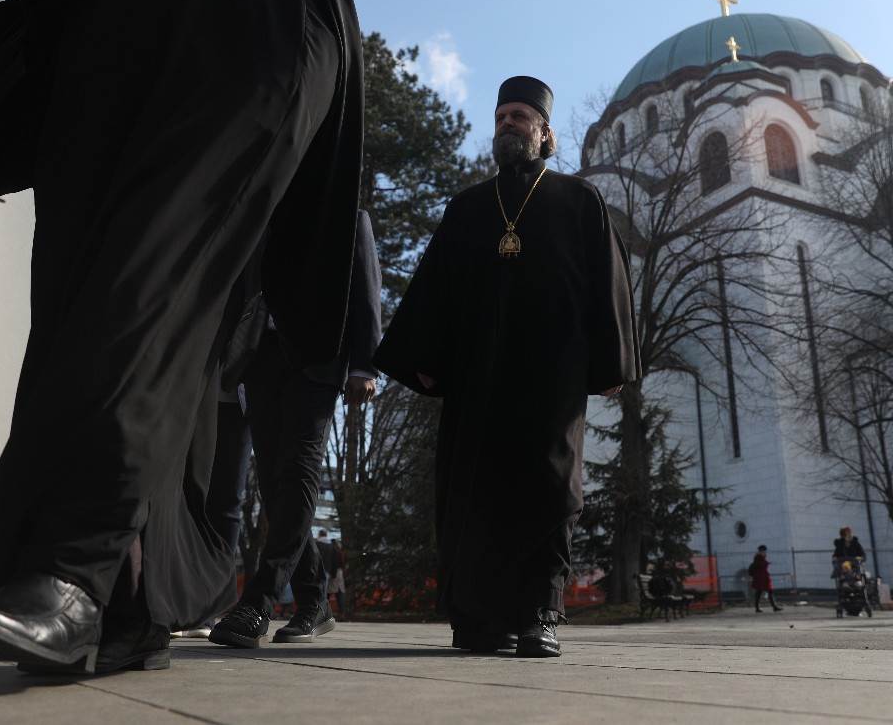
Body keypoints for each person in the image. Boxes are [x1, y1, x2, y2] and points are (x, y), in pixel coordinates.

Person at [0, 0, 362, 674]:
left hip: (236, 74)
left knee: (136, 302)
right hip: (102, 111)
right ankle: (130, 608)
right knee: (82, 330)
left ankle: (71, 576)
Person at [373, 76, 641, 658]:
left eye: (521, 116)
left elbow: (609, 286)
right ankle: (478, 618)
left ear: (545, 133)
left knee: (548, 488)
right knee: (473, 493)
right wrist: (422, 357)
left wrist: (611, 359)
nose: (508, 125)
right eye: (501, 117)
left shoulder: (579, 200)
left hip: (552, 376)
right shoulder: (468, 207)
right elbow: (434, 290)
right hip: (477, 377)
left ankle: (540, 613)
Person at [210, 210, 381, 647]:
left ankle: (259, 601)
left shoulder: (349, 216)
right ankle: (313, 601)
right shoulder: (262, 209)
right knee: (272, 482)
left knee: (300, 470)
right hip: (261, 360)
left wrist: (365, 364)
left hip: (319, 361)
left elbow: (366, 288)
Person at [748, 545, 782, 613]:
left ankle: (760, 608)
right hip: (761, 578)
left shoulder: (759, 557)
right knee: (764, 592)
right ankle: (772, 607)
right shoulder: (758, 557)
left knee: (761, 592)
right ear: (762, 551)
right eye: (764, 551)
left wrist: (766, 563)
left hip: (762, 577)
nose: (765, 552)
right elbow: (760, 565)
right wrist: (766, 563)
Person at [328, 539, 347, 616]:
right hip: (340, 574)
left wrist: (333, 574)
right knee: (340, 593)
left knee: (327, 593)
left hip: (334, 573)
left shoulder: (333, 552)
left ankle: (325, 613)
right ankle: (342, 612)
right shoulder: (341, 552)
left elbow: (334, 564)